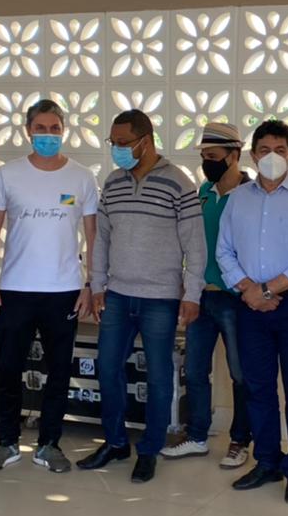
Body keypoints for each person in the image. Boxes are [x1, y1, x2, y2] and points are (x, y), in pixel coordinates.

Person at [77, 109, 204, 483]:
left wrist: (192, 294)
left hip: (160, 298)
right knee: (107, 369)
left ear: (145, 141)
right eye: (112, 142)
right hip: (117, 295)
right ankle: (116, 442)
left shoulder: (178, 183)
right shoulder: (113, 182)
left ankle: (149, 450)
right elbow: (102, 240)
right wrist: (97, 286)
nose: (116, 149)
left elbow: (195, 245)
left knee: (159, 376)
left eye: (122, 143)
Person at [0, 100, 98, 474]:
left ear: (64, 130)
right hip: (15, 289)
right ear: (28, 130)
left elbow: (93, 237)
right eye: (41, 128)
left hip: (64, 291)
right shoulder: (8, 175)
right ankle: (6, 442)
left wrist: (90, 284)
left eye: (55, 128)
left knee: (59, 372)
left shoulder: (81, 177)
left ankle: (49, 444)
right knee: (8, 368)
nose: (48, 135)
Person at [217, 119, 288, 504]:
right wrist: (249, 290)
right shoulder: (237, 199)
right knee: (258, 387)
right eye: (264, 150)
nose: (272, 157)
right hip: (249, 306)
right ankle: (266, 462)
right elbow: (224, 251)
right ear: (252, 155)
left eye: (280, 150)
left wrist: (267, 289)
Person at [161, 122, 252, 468]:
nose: (207, 163)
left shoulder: (251, 194)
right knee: (196, 370)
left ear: (234, 155)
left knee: (241, 374)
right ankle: (197, 436)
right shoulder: (202, 192)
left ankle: (240, 440)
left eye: (213, 157)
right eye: (204, 157)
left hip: (236, 299)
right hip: (201, 295)